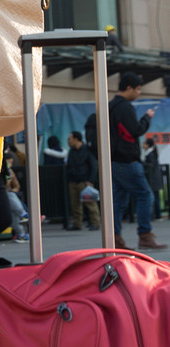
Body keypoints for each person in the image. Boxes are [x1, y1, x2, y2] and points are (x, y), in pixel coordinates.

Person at [110, 72, 166, 251]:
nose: (139, 93)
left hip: (115, 160)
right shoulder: (124, 107)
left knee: (118, 201)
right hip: (127, 160)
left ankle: (115, 239)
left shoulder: (110, 106)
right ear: (128, 88)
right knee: (145, 195)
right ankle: (145, 235)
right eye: (138, 89)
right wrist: (147, 118)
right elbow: (134, 130)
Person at [65, 131, 100, 231]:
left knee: (90, 204)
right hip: (73, 181)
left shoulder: (87, 151)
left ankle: (95, 223)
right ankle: (77, 224)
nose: (68, 141)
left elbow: (94, 166)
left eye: (70, 139)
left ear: (76, 139)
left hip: (84, 181)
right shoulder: (71, 151)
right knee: (75, 205)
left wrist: (90, 180)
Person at [143, 138, 163, 221]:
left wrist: (143, 164)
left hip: (153, 179)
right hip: (155, 179)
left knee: (154, 197)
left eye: (144, 144)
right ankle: (158, 214)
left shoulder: (150, 154)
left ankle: (157, 215)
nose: (143, 145)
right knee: (156, 197)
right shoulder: (152, 153)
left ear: (148, 145)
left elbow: (151, 166)